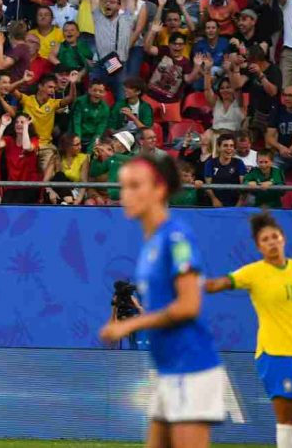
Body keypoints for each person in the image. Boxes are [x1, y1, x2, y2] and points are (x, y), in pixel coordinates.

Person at [99, 155, 226, 447]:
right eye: (123, 186)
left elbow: (189, 305)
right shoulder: (151, 243)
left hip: (191, 366)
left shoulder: (176, 238)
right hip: (167, 368)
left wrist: (129, 325)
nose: (125, 195)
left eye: (134, 186)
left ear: (159, 189)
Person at [205, 212, 292, 448]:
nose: (271, 242)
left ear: (283, 239)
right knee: (287, 421)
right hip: (275, 352)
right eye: (265, 240)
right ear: (259, 247)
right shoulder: (253, 272)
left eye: (274, 237)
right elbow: (220, 284)